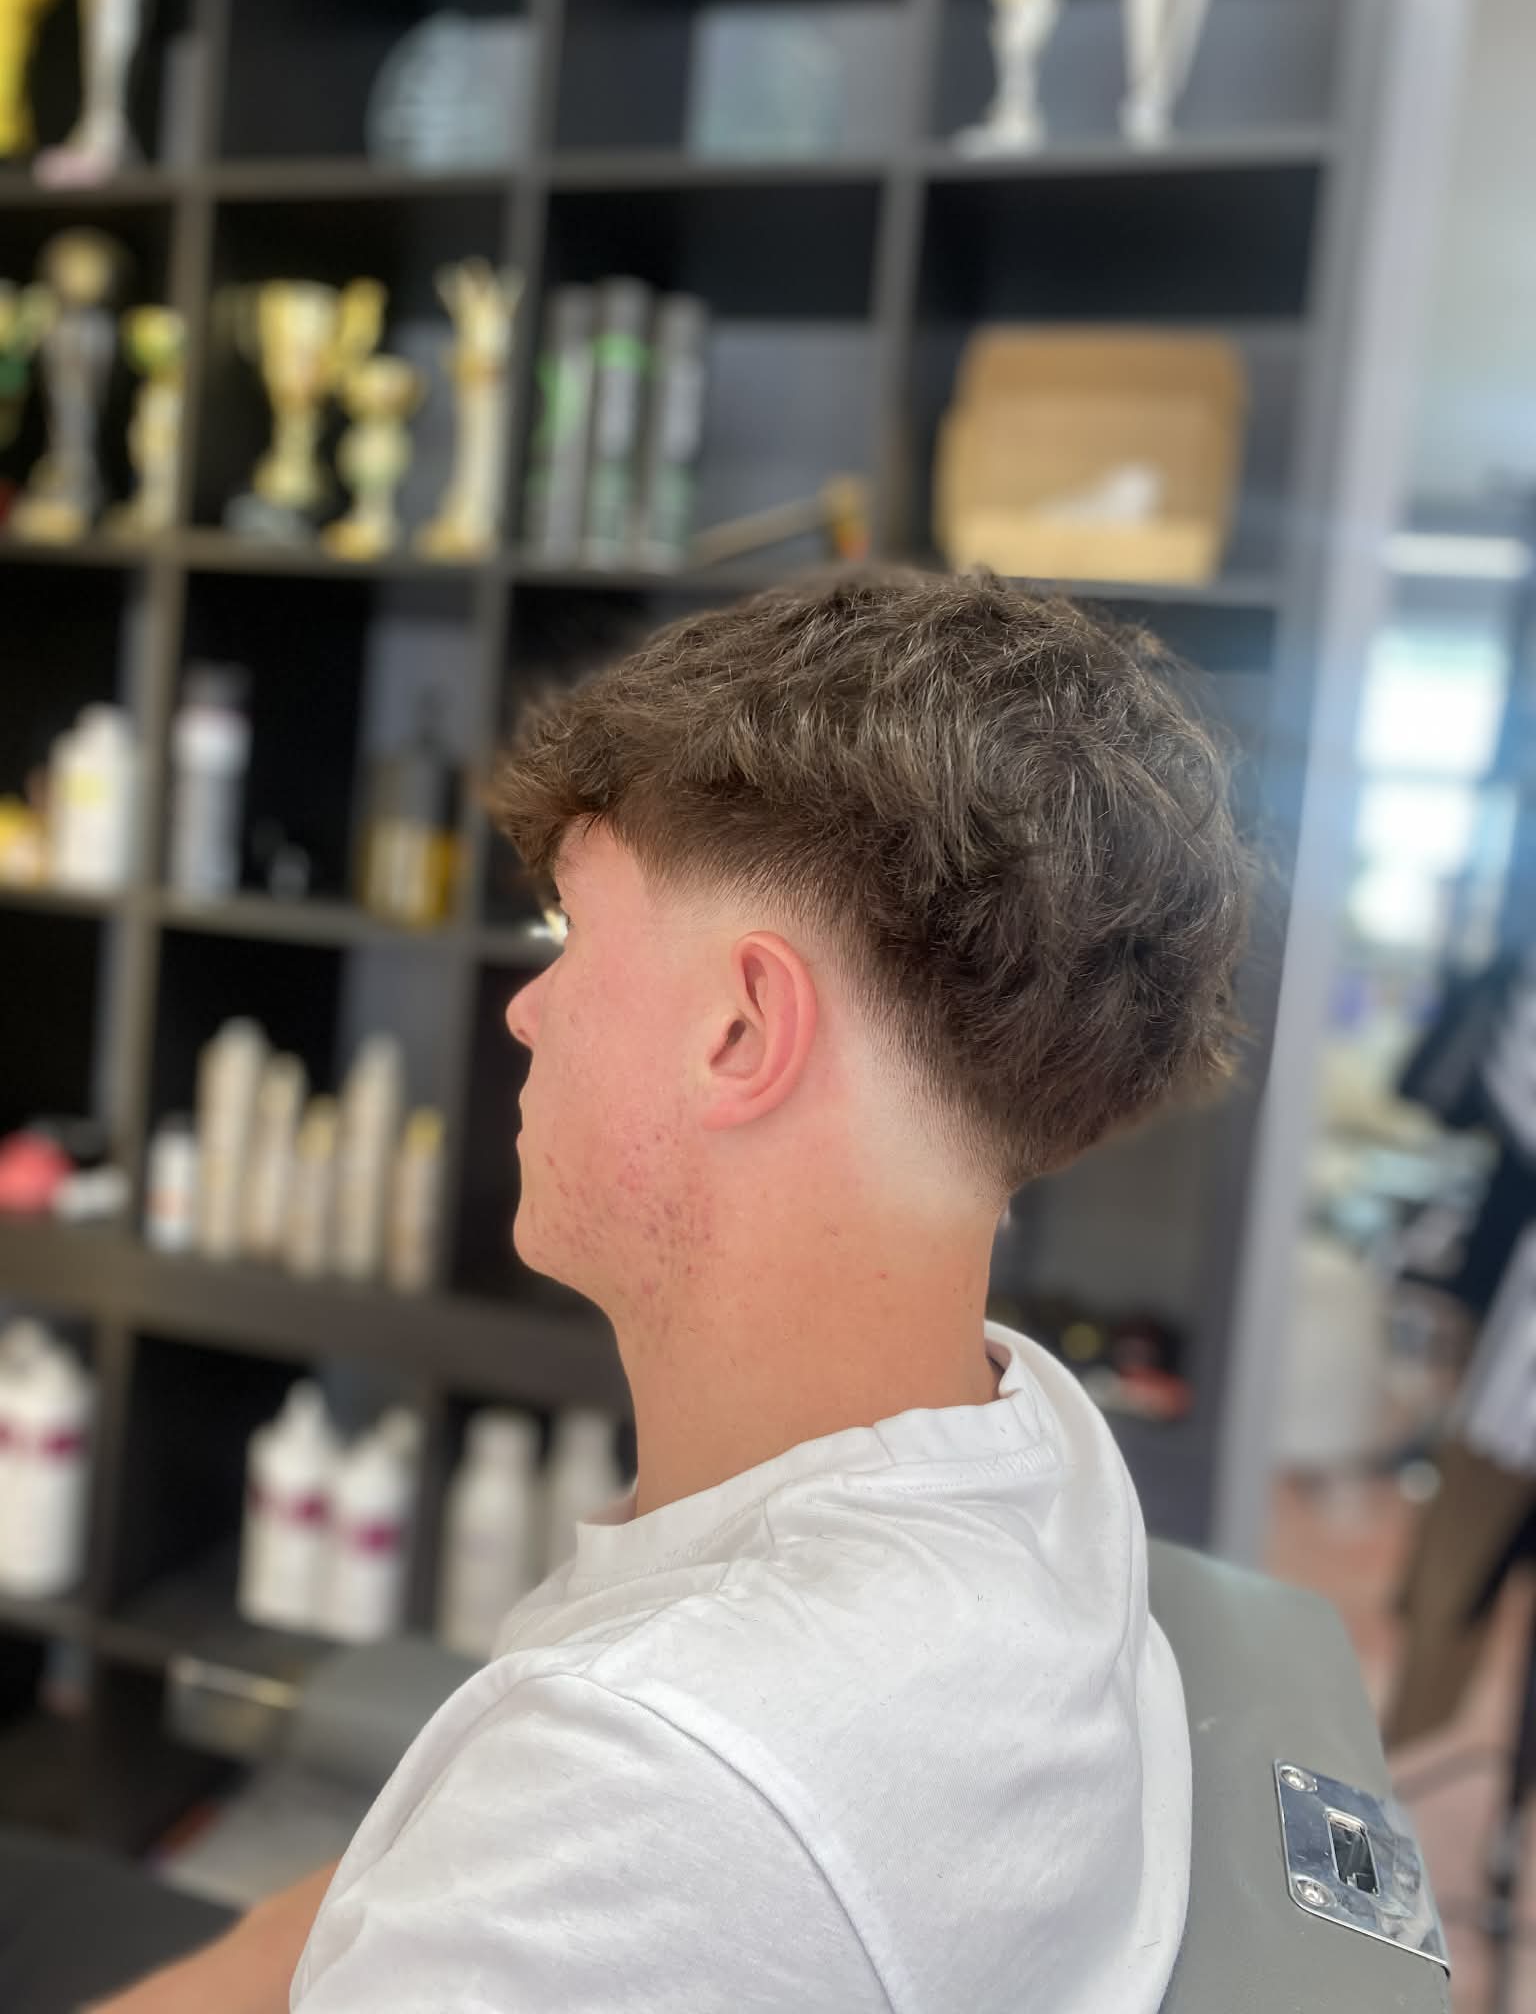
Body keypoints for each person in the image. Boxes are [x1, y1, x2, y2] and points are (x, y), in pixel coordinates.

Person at [88, 568, 1246, 2013]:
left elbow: (600, 1831)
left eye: (570, 935)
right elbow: (379, 1896)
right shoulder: (1037, 1438)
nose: (526, 1007)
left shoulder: (661, 1783)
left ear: (742, 1030)